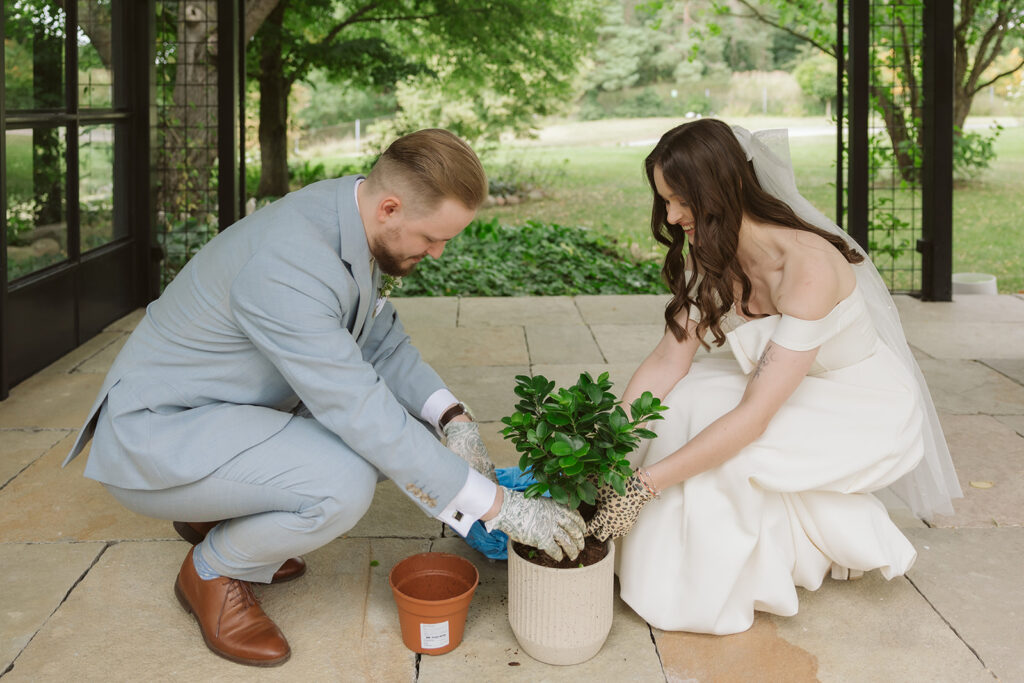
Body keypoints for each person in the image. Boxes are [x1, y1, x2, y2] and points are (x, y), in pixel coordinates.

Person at [63, 129, 585, 666]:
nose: (437, 252)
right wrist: (499, 508)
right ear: (390, 208)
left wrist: (453, 419)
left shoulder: (348, 214)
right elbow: (362, 412)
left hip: (222, 408)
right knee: (343, 483)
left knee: (401, 439)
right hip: (156, 433)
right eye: (433, 238)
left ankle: (223, 511)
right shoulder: (289, 266)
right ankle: (214, 569)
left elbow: (379, 340)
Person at [585, 119, 961, 635]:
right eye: (664, 201)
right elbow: (669, 361)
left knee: (732, 458)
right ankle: (662, 557)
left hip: (859, 403)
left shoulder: (808, 269)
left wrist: (640, 486)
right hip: (794, 383)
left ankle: (722, 586)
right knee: (687, 400)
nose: (671, 217)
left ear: (719, 188)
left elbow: (755, 415)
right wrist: (607, 445)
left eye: (680, 201)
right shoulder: (712, 250)